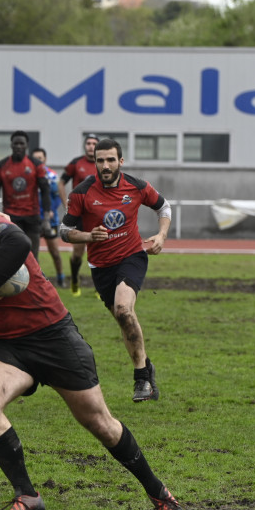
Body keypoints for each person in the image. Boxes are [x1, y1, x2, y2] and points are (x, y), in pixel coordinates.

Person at [0, 187, 185, 510]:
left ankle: (159, 492)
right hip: (6, 344)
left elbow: (18, 242)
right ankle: (28, 495)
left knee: (100, 423)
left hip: (53, 337)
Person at [60, 138, 171, 402]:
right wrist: (88, 236)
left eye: (111, 160)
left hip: (132, 255)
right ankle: (145, 366)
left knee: (123, 308)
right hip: (101, 267)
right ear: (94, 163)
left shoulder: (136, 186)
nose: (105, 165)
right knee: (124, 319)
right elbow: (64, 231)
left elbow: (163, 206)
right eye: (100, 161)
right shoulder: (82, 193)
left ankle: (141, 379)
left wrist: (162, 235)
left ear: (120, 161)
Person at [0, 131, 52, 258]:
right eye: (15, 143)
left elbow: (45, 191)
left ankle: (34, 278)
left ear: (26, 145)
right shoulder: (0, 166)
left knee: (32, 258)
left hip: (32, 217)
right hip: (11, 217)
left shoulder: (37, 165)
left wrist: (46, 219)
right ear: (11, 145)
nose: (18, 146)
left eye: (21, 143)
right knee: (13, 256)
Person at [59, 134, 100, 296]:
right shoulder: (76, 163)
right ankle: (75, 280)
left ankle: (100, 286)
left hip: (98, 214)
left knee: (99, 252)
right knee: (78, 254)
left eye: (94, 143)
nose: (91, 146)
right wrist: (66, 204)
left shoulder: (103, 164)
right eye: (88, 143)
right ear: (85, 145)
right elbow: (61, 182)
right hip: (80, 215)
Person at [31, 147, 66, 287]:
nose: (38, 160)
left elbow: (57, 197)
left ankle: (61, 279)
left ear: (45, 159)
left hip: (49, 219)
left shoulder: (51, 176)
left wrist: (51, 210)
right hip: (32, 220)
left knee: (54, 252)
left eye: (40, 158)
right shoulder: (28, 174)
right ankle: (35, 281)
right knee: (32, 253)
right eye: (35, 158)